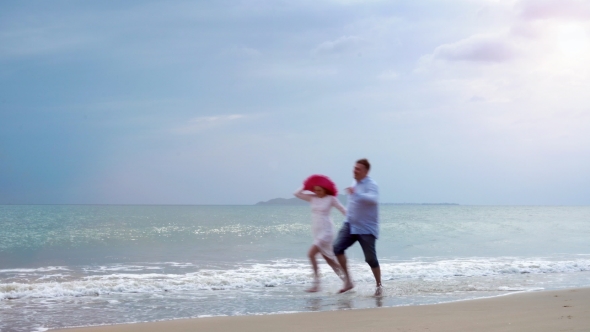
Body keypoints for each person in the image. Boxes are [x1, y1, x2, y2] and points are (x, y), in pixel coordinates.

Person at [333, 158, 382, 295]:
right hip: (350, 225)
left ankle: (379, 286)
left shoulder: (372, 184)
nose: (355, 170)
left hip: (366, 228)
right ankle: (348, 281)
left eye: (358, 169)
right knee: (337, 248)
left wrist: (356, 193)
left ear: (365, 171)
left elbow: (373, 199)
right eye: (354, 168)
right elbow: (353, 203)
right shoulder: (354, 182)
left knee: (370, 259)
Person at [294, 182, 347, 292]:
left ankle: (316, 284)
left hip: (327, 232)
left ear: (326, 189)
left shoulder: (331, 198)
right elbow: (297, 194)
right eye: (315, 190)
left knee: (311, 254)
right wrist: (305, 185)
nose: (317, 192)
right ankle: (347, 281)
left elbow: (342, 209)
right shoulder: (313, 198)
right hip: (317, 232)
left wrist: (353, 221)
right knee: (330, 260)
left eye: (320, 190)